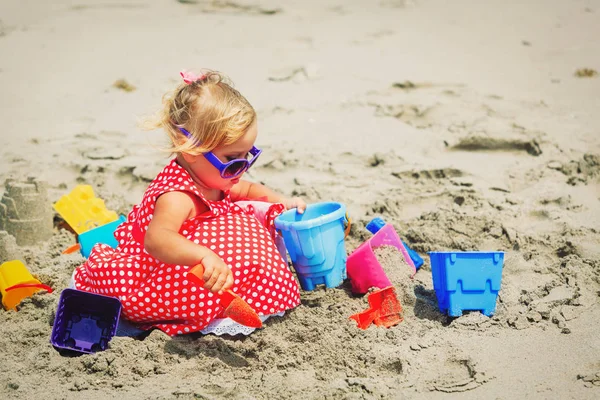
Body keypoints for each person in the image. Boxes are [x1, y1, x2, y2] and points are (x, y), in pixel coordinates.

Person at [72, 69, 305, 336]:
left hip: (199, 262)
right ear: (189, 147)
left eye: (248, 157)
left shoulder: (216, 177)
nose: (241, 169)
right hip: (160, 272)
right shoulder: (177, 195)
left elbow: (248, 189)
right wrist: (204, 255)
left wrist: (283, 201)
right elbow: (157, 239)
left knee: (251, 231)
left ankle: (246, 292)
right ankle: (212, 309)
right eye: (233, 159)